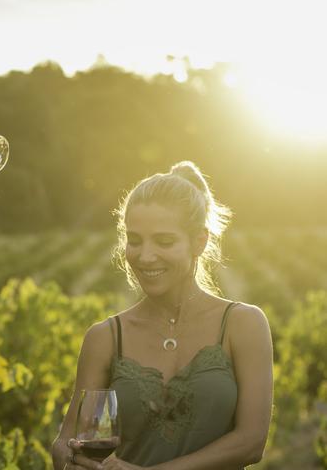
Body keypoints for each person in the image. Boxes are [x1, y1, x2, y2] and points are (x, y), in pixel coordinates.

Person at [51, 161, 273, 470]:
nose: (144, 256)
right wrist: (67, 455)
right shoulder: (105, 337)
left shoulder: (242, 325)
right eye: (135, 240)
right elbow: (70, 439)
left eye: (164, 241)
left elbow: (251, 442)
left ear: (199, 241)